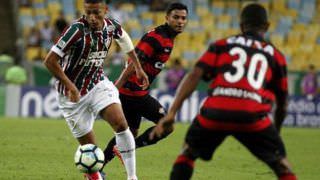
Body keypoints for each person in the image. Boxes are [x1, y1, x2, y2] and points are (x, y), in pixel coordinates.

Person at [150, 3, 297, 180]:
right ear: (266, 26)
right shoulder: (276, 55)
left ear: (241, 25)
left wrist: (172, 113)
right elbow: (282, 103)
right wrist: (275, 134)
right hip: (252, 116)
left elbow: (194, 74)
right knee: (282, 166)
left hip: (215, 113)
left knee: (188, 152)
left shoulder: (222, 45)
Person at [43, 0, 149, 180]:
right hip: (71, 96)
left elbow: (125, 40)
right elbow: (49, 61)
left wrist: (138, 67)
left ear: (105, 10)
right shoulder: (75, 31)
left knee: (121, 125)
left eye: (96, 13)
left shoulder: (111, 27)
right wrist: (71, 86)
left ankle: (132, 177)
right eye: (88, 13)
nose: (92, 18)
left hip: (97, 83)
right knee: (90, 153)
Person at [102, 2, 188, 168]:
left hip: (135, 92)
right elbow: (135, 62)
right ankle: (125, 149)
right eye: (176, 17)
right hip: (133, 93)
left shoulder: (168, 39)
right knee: (167, 125)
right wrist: (118, 85)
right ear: (167, 18)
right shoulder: (157, 38)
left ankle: (97, 168)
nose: (180, 21)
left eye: (183, 18)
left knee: (130, 134)